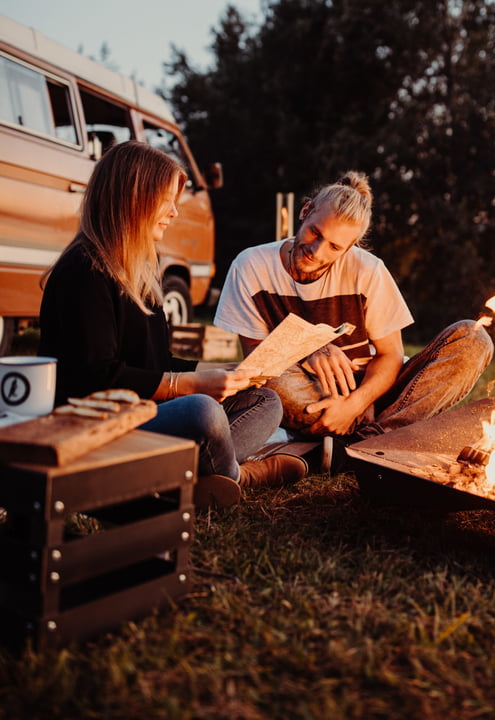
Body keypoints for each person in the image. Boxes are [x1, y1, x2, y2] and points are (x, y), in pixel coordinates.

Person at [38, 141, 307, 508]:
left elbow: (156, 363)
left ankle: (197, 474)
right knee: (202, 411)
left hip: (143, 413)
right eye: (168, 200)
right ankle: (240, 476)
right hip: (98, 425)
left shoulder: (141, 269)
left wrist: (222, 371)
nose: (175, 212)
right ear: (136, 198)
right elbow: (95, 379)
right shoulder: (85, 270)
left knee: (265, 400)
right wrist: (191, 385)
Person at [214, 170, 494, 467]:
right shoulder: (251, 265)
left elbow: (390, 356)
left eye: (335, 247)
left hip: (378, 396)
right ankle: (377, 446)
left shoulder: (367, 270)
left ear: (350, 248)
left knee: (473, 338)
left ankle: (362, 442)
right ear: (305, 212)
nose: (317, 251)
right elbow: (258, 363)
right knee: (269, 382)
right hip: (306, 392)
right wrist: (309, 347)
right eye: (315, 233)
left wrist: (357, 403)